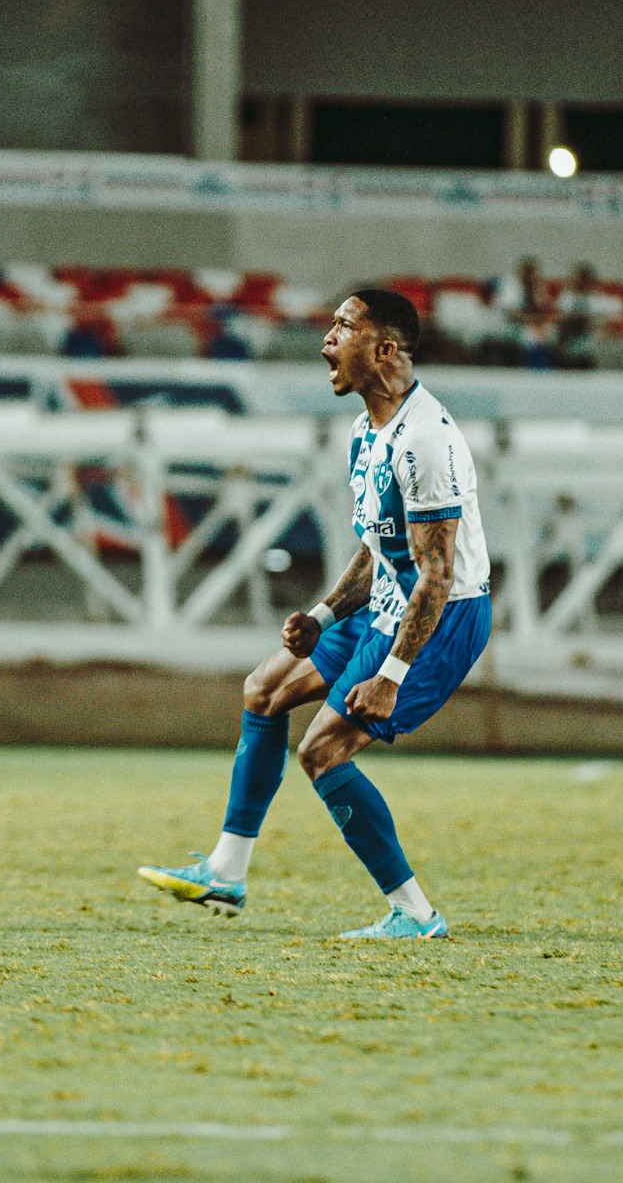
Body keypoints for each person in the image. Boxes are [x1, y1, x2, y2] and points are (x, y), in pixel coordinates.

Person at [138, 287, 492, 940]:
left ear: (385, 349)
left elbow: (437, 574)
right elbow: (377, 547)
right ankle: (225, 870)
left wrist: (388, 675)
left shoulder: (426, 441)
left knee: (323, 750)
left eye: (343, 327)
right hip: (384, 605)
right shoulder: (366, 431)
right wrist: (325, 617)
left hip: (441, 619)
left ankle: (416, 914)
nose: (326, 340)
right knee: (265, 689)